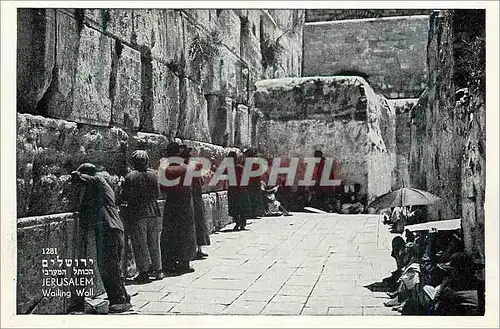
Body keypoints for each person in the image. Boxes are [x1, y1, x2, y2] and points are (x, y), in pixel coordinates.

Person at [71, 163, 131, 313]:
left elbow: (76, 175)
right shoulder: (101, 186)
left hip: (109, 229)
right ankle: (123, 296)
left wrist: (76, 173)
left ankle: (119, 300)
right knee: (112, 266)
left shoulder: (97, 180)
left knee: (107, 266)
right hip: (113, 228)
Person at [120, 150, 163, 284]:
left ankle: (144, 272)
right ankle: (158, 270)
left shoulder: (130, 176)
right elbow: (157, 194)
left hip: (138, 213)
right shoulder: (153, 175)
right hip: (154, 212)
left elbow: (125, 196)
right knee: (154, 242)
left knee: (140, 244)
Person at [159, 142, 197, 275]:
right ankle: (185, 263)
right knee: (186, 232)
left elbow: (163, 188)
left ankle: (169, 263)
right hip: (186, 203)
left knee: (170, 233)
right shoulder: (187, 168)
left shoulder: (165, 168)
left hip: (172, 202)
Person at [183, 146, 211, 260]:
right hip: (197, 198)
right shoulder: (196, 166)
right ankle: (199, 249)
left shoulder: (185, 168)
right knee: (199, 223)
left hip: (190, 198)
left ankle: (192, 250)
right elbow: (202, 182)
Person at [227, 151, 252, 231]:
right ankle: (242, 223)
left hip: (233, 190)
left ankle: (238, 223)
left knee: (235, 208)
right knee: (243, 207)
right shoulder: (240, 168)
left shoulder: (229, 168)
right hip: (241, 190)